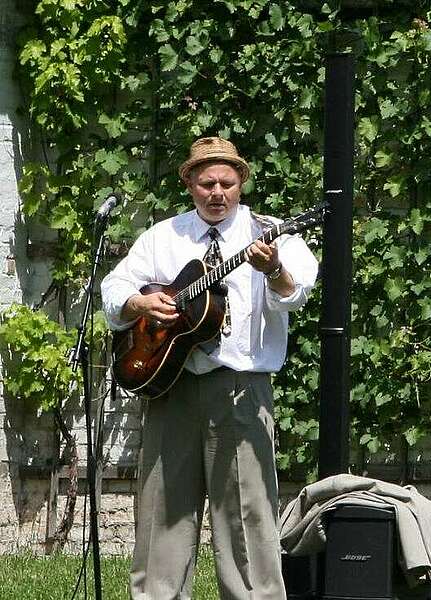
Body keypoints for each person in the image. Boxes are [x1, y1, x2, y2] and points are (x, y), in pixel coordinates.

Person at [103, 137, 319, 600]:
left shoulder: (270, 231)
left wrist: (274, 268)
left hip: (240, 389)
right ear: (190, 185)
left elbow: (297, 291)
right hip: (171, 389)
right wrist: (138, 301)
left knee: (246, 515)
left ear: (241, 183)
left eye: (227, 182)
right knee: (162, 512)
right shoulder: (164, 235)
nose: (217, 192)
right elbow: (115, 286)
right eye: (207, 184)